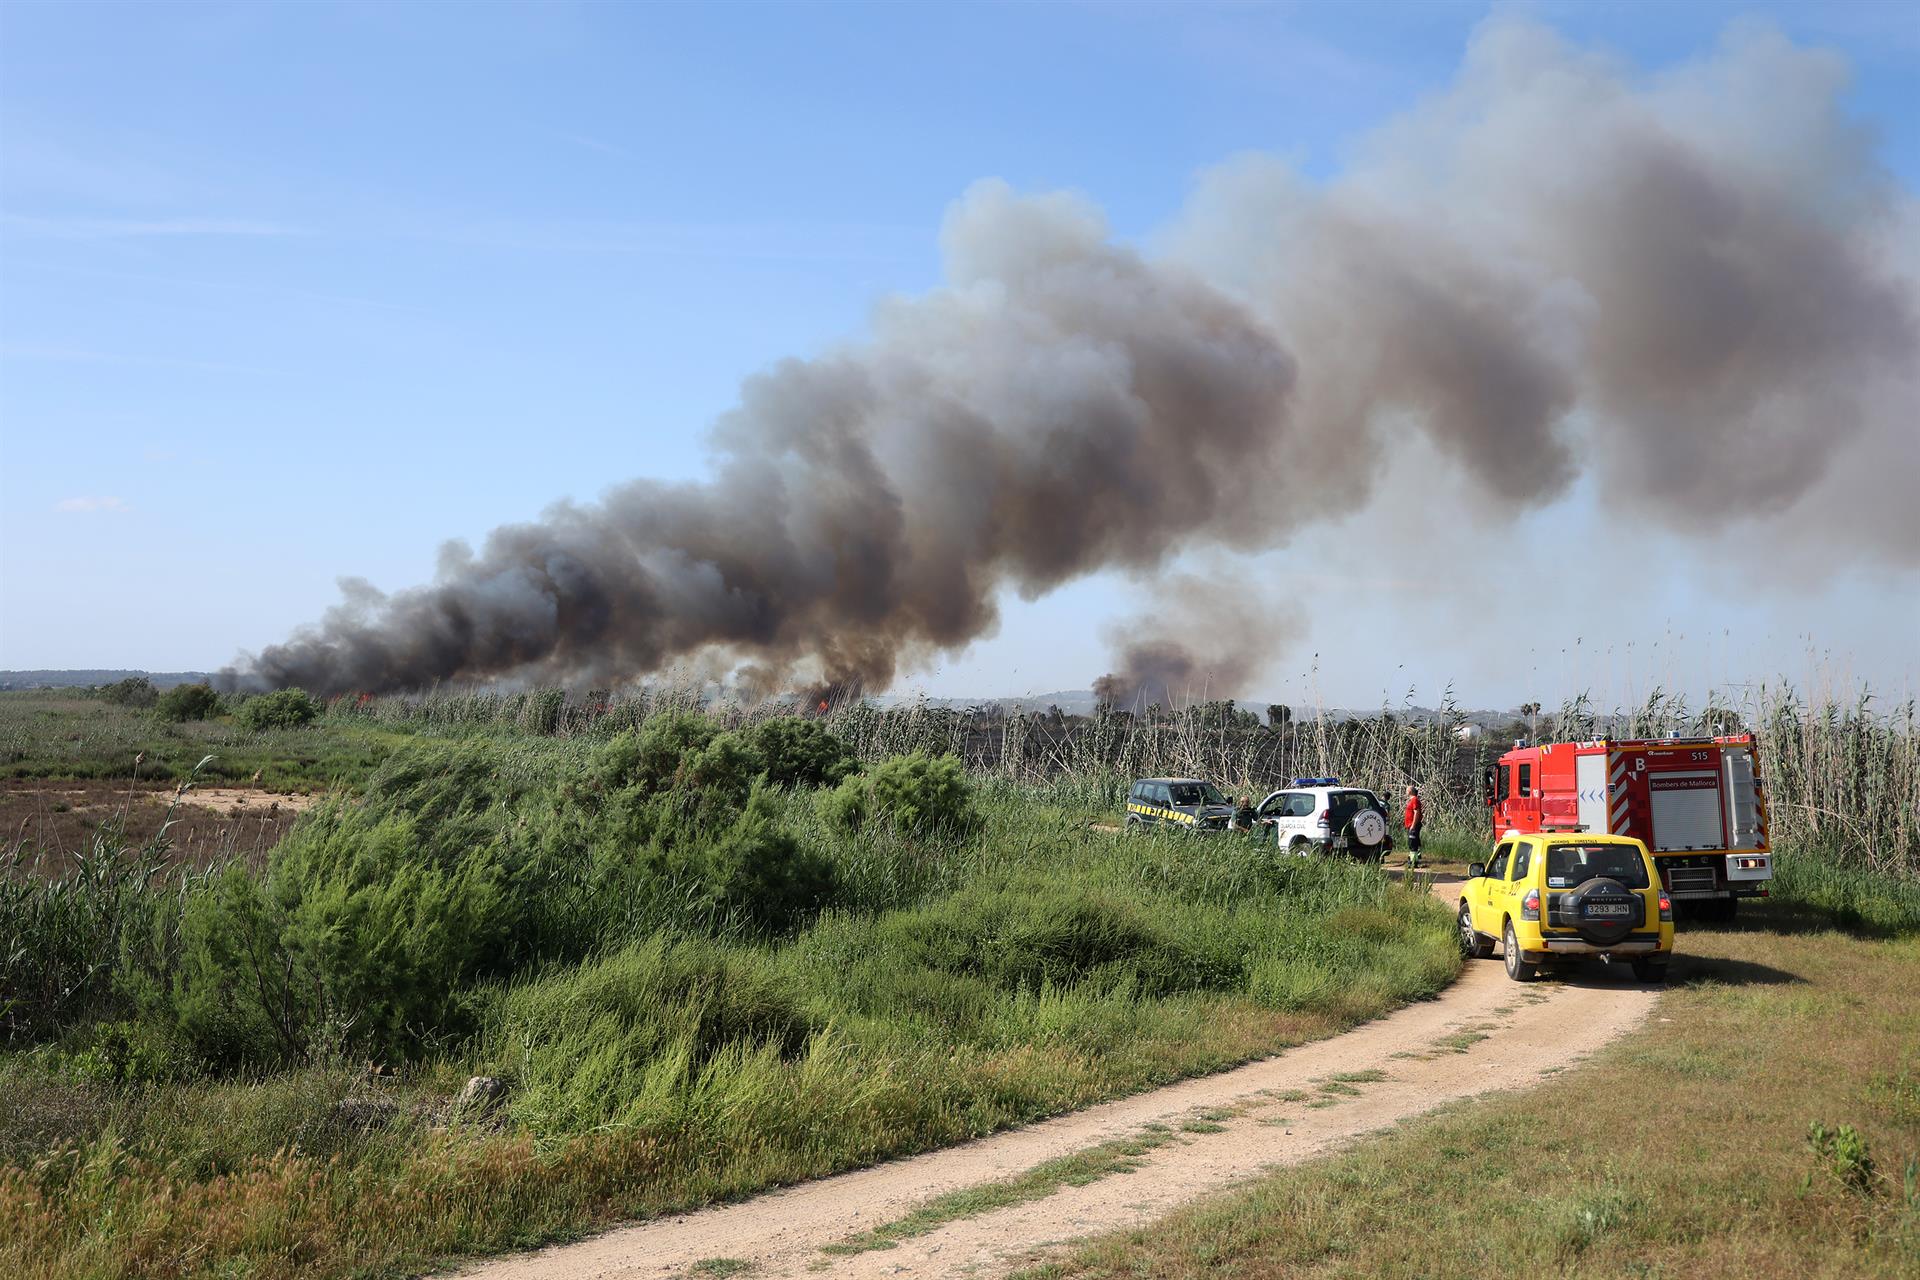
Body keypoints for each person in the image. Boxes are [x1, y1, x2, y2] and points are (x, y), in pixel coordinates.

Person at [1403, 784, 1424, 867]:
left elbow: (1416, 812)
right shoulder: (1411, 800)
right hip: (1410, 825)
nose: (1406, 791)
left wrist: (1413, 825)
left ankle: (1413, 862)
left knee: (1413, 843)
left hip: (1413, 825)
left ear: (1410, 791)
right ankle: (1412, 859)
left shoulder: (1414, 800)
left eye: (1407, 789)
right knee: (1412, 843)